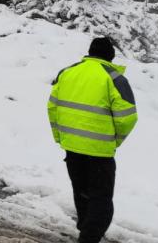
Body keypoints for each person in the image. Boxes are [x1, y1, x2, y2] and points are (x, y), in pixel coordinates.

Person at [48, 36, 138, 243]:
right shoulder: (114, 78)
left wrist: (60, 136)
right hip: (99, 151)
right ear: (111, 56)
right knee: (101, 198)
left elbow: (52, 107)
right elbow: (128, 117)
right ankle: (89, 237)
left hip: (71, 146)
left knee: (81, 192)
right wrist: (115, 140)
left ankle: (85, 229)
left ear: (90, 52)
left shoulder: (67, 72)